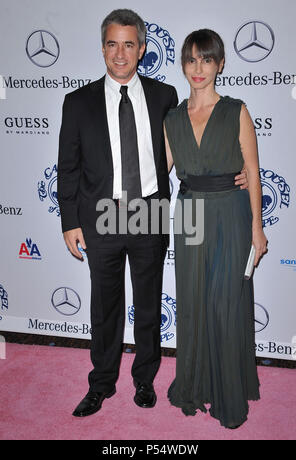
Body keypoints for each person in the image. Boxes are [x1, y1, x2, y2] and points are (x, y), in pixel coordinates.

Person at [57, 10, 248, 418]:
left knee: (147, 304)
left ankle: (144, 379)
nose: (121, 53)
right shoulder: (77, 102)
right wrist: (70, 221)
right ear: (103, 48)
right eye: (112, 44)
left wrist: (240, 174)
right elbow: (67, 167)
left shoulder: (164, 97)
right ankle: (102, 383)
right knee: (104, 307)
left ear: (142, 49)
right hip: (102, 214)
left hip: (151, 212)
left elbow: (192, 147)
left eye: (129, 44)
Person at [164, 29, 267, 429]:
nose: (198, 69)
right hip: (189, 213)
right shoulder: (173, 117)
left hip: (231, 214)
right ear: (183, 66)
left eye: (206, 60)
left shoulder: (237, 110)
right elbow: (161, 170)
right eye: (191, 60)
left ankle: (228, 395)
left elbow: (253, 171)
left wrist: (257, 227)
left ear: (220, 64)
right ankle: (194, 384)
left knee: (225, 306)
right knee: (191, 303)